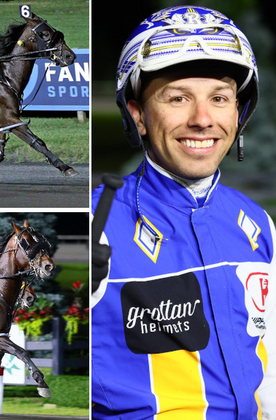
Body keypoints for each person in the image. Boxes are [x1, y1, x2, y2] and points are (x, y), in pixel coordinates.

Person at [91, 5, 274, 419]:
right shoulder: (94, 224)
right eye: (178, 98)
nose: (203, 119)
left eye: (219, 98)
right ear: (137, 114)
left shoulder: (258, 223)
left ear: (239, 112)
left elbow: (270, 369)